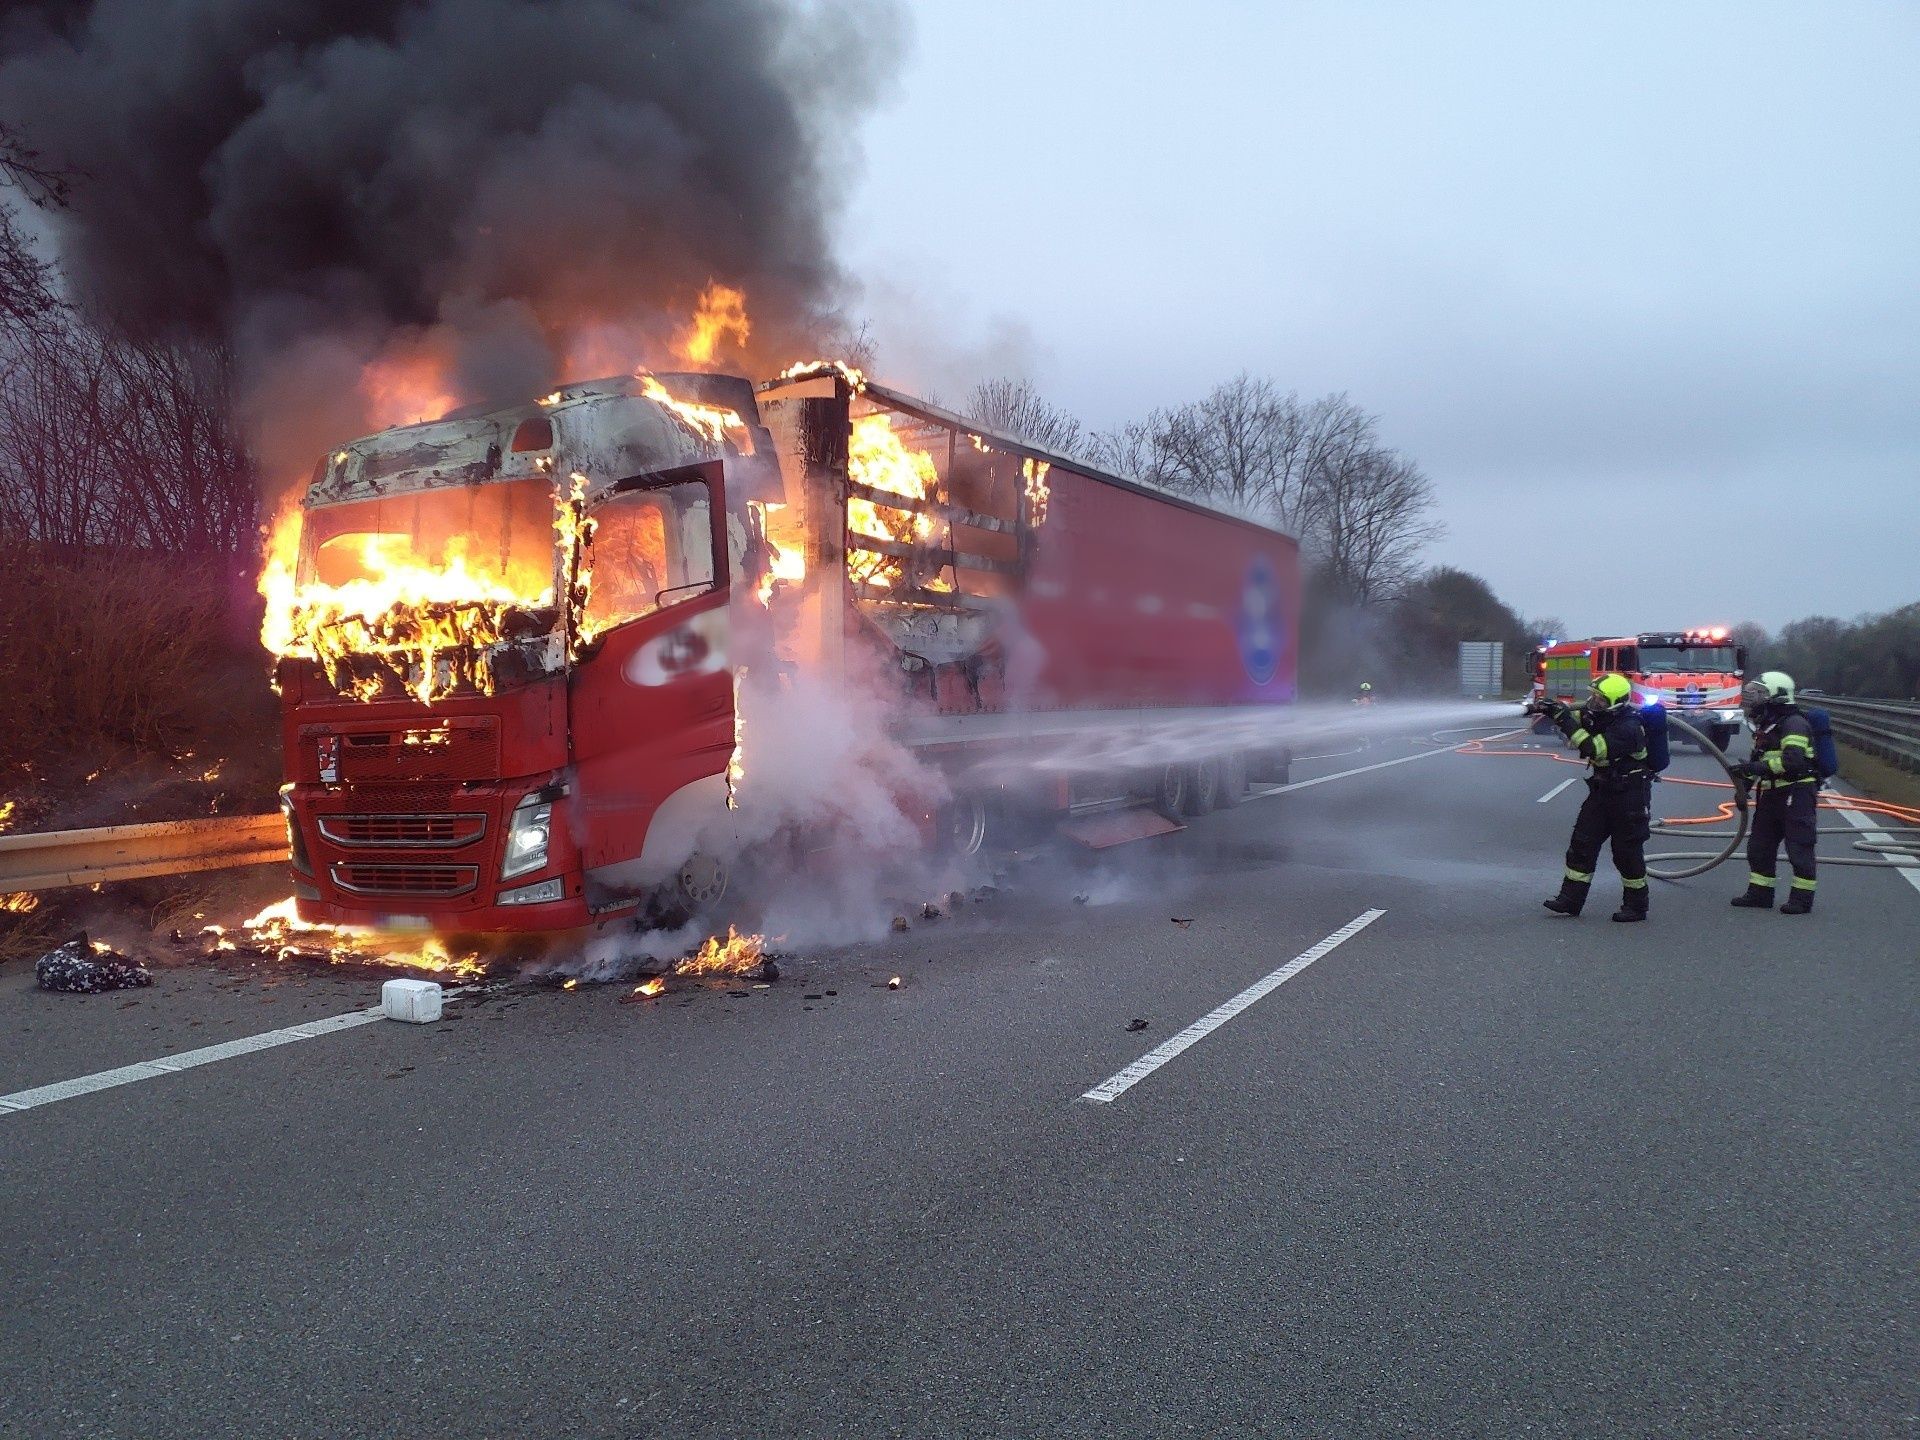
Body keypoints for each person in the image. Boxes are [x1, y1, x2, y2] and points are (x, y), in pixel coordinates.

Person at [1534, 673, 1653, 922]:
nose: (1593, 703)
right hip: (1602, 793)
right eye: (1593, 697)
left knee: (1626, 852)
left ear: (1616, 702)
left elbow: (1594, 749)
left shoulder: (1629, 727)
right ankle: (1570, 900)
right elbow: (1577, 720)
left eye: (1600, 700)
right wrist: (1551, 709)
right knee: (1582, 843)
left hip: (1629, 797)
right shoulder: (1601, 717)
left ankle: (1636, 906)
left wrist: (1563, 718)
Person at [1730, 670, 1818, 914]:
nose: (1753, 699)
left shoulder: (1795, 724)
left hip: (1796, 793)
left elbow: (1794, 762)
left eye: (1760, 694)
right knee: (1760, 846)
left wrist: (1756, 768)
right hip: (1771, 794)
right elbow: (1757, 759)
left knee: (1799, 847)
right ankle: (1760, 893)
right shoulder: (1766, 728)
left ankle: (1801, 899)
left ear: (1777, 697)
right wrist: (1743, 787)